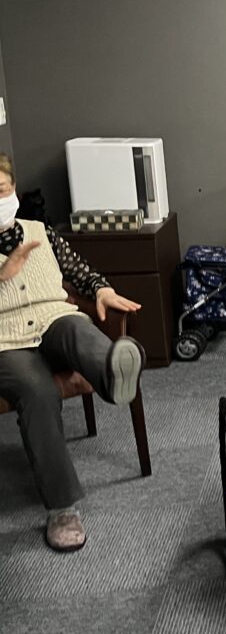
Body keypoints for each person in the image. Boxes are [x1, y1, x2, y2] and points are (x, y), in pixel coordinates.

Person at [0, 153, 145, 553]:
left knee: (78, 329)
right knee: (37, 391)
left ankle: (115, 375)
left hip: (53, 318)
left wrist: (101, 289)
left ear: (14, 190)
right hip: (6, 342)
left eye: (2, 189)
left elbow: (78, 270)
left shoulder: (40, 232)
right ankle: (62, 509)